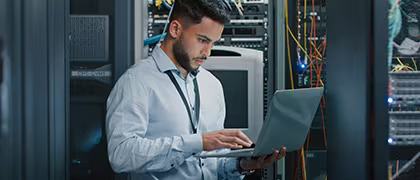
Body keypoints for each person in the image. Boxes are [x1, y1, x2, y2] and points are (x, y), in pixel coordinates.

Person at [105, 0, 286, 179]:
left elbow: (212, 165)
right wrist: (197, 142)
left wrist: (243, 164)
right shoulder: (136, 81)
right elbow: (121, 155)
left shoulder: (212, 85)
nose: (207, 52)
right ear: (175, 29)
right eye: (202, 40)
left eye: (213, 43)